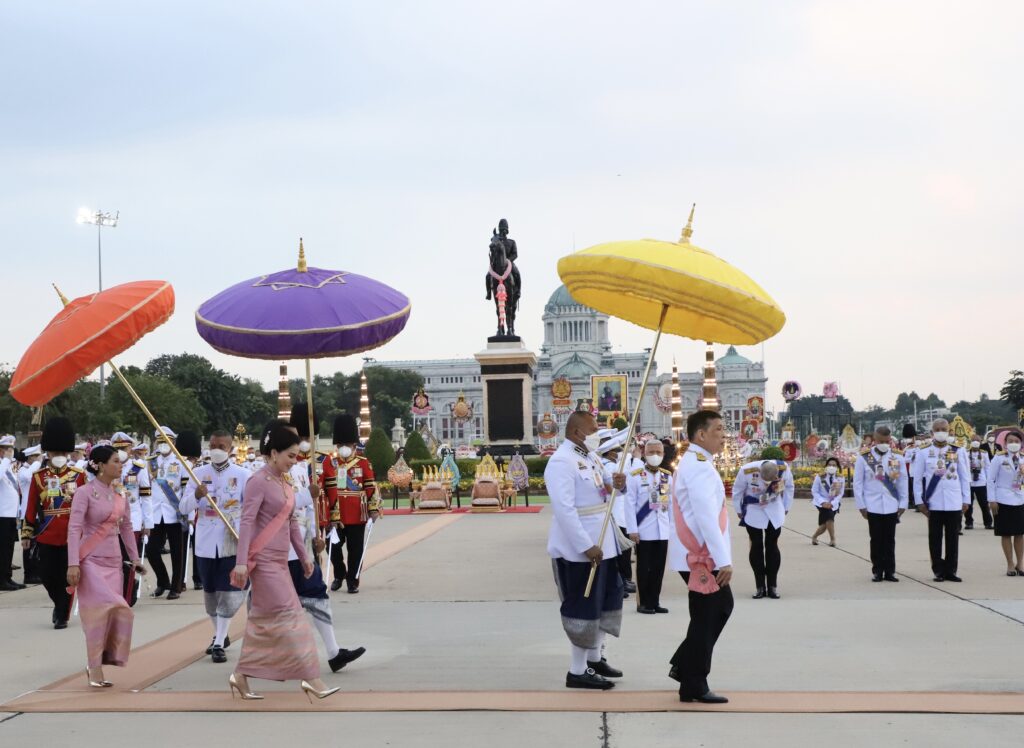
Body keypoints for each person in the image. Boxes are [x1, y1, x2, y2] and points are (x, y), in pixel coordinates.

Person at [228, 424, 339, 701]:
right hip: (262, 562)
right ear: (274, 453)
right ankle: (312, 678)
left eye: (296, 456)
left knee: (262, 622)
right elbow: (247, 521)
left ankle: (240, 675)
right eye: (290, 456)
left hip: (280, 561)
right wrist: (242, 562)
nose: (294, 461)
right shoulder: (257, 481)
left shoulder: (285, 483)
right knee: (293, 617)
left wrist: (304, 557)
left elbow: (290, 523)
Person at [268, 419, 366, 673]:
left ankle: (334, 653)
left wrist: (316, 534)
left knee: (317, 597)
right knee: (277, 607)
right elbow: (280, 506)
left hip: (302, 548)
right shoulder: (260, 475)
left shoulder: (301, 469)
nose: (296, 447)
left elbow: (309, 507)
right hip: (276, 552)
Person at [544, 411, 627, 690]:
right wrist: (585, 546)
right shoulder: (561, 462)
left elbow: (605, 488)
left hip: (604, 539)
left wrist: (617, 484)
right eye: (592, 429)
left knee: (606, 602)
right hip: (579, 548)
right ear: (577, 432)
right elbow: (565, 510)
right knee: (584, 606)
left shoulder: (589, 456)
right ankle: (577, 671)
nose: (597, 434)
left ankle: (594, 658)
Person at [667, 410, 733, 704]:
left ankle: (686, 669)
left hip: (696, 552)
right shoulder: (698, 467)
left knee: (713, 611)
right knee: (710, 614)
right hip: (700, 554)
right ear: (700, 435)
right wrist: (721, 560)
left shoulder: (697, 463)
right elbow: (706, 517)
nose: (723, 435)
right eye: (718, 429)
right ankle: (694, 681)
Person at [66, 446, 145, 687]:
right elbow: (74, 528)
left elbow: (126, 528)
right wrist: (72, 563)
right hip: (89, 561)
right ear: (100, 465)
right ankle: (94, 667)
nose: (121, 466)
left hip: (113, 563)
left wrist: (135, 559)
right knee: (99, 613)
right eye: (115, 461)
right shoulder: (84, 493)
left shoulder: (120, 495)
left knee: (117, 613)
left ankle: (103, 659)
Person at [180, 430, 251, 663]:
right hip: (206, 542)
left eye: (221, 445)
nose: (216, 450)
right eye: (212, 445)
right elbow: (183, 507)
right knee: (210, 592)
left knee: (228, 590)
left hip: (232, 539)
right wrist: (197, 496)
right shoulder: (197, 473)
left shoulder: (243, 475)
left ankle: (219, 641)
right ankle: (220, 633)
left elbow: (250, 510)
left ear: (231, 448)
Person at [21, 417, 87, 628]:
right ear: (48, 453)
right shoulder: (39, 477)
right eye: (55, 453)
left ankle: (61, 614)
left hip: (72, 534)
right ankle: (59, 604)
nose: (59, 456)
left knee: (68, 576)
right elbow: (31, 506)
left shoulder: (78, 476)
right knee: (47, 576)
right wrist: (26, 532)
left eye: (62, 453)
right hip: (48, 533)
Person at [913, 419, 970, 582]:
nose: (940, 432)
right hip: (934, 502)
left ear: (949, 431)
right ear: (932, 433)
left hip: (953, 501)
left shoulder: (959, 451)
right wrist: (919, 502)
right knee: (935, 539)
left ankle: (951, 571)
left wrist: (966, 500)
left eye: (943, 429)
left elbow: (964, 478)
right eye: (937, 429)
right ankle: (938, 570)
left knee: (953, 538)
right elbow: (917, 480)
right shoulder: (923, 452)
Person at [330, 414, 380, 594]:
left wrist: (373, 509)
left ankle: (353, 580)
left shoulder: (363, 463)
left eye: (347, 444)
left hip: (356, 514)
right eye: (340, 444)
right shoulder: (330, 463)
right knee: (333, 548)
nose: (344, 448)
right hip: (335, 513)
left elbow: (370, 487)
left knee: (355, 551)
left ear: (353, 444)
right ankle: (339, 574)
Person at [731, 457, 794, 599]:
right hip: (754, 509)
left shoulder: (783, 468)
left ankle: (772, 586)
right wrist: (738, 509)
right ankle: (760, 586)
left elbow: (789, 487)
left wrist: (786, 506)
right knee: (756, 546)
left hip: (774, 508)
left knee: (772, 546)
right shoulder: (747, 470)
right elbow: (737, 490)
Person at [853, 426, 908, 582]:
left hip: (891, 503)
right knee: (876, 539)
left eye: (887, 441)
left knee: (890, 540)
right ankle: (877, 570)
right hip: (872, 504)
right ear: (875, 440)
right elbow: (858, 483)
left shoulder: (897, 457)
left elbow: (902, 481)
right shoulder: (864, 458)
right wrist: (861, 505)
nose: (884, 444)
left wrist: (903, 503)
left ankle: (890, 571)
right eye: (881, 441)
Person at [624, 439, 671, 614]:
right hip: (644, 530)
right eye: (651, 452)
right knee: (644, 568)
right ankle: (643, 603)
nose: (655, 456)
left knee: (658, 568)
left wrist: (672, 528)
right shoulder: (635, 475)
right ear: (644, 454)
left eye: (658, 453)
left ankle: (655, 601)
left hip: (662, 530)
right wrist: (632, 530)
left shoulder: (667, 476)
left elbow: (670, 504)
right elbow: (629, 504)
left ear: (663, 454)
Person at [146, 426, 187, 600]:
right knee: (152, 550)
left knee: (177, 552)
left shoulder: (181, 462)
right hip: (155, 512)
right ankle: (163, 581)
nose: (163, 445)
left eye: (166, 441)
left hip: (174, 511)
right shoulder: (150, 462)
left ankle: (176, 586)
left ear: (173, 442)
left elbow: (186, 490)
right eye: (160, 441)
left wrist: (189, 515)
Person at [596, 430, 635, 597]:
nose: (621, 454)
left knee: (618, 551)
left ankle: (622, 581)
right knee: (621, 552)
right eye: (618, 451)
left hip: (614, 512)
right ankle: (623, 581)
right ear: (611, 453)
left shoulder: (603, 464)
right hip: (617, 513)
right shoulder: (610, 466)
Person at [986, 430, 1024, 576]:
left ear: (1021, 444)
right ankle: (1010, 564)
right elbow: (991, 479)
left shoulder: (1023, 459)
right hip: (1003, 499)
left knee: (1020, 533)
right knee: (1006, 533)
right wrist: (992, 500)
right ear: (1005, 443)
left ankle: (1020, 563)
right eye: (1010, 441)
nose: (1013, 443)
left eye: (1016, 441)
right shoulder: (998, 458)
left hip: (1020, 498)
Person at [1, 435, 24, 590]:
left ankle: (7, 577)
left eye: (11, 449)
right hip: (2, 514)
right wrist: (6, 460)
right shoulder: (3, 464)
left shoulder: (7, 465)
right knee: (2, 548)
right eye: (7, 449)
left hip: (11, 514)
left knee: (8, 548)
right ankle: (2, 579)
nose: (10, 452)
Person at [17, 445, 43, 584]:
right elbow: (28, 477)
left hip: (36, 513)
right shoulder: (23, 470)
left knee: (37, 545)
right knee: (29, 545)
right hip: (27, 514)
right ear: (31, 458)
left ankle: (36, 572)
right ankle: (29, 574)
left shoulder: (34, 470)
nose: (39, 459)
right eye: (36, 457)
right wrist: (38, 462)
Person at [810, 457, 845, 547]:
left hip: (834, 503)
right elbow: (815, 491)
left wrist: (832, 503)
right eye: (829, 465)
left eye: (834, 465)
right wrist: (823, 502)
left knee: (825, 525)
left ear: (837, 467)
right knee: (829, 518)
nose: (831, 467)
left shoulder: (840, 478)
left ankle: (814, 536)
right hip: (821, 502)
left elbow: (841, 493)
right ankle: (833, 539)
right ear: (826, 466)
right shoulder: (820, 476)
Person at [965, 436, 993, 530]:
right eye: (973, 440)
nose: (975, 442)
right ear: (970, 442)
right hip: (969, 481)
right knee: (968, 504)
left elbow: (988, 468)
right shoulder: (965, 453)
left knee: (984, 504)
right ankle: (969, 523)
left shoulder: (984, 454)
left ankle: (988, 523)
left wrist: (989, 480)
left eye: (977, 440)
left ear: (980, 442)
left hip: (981, 481)